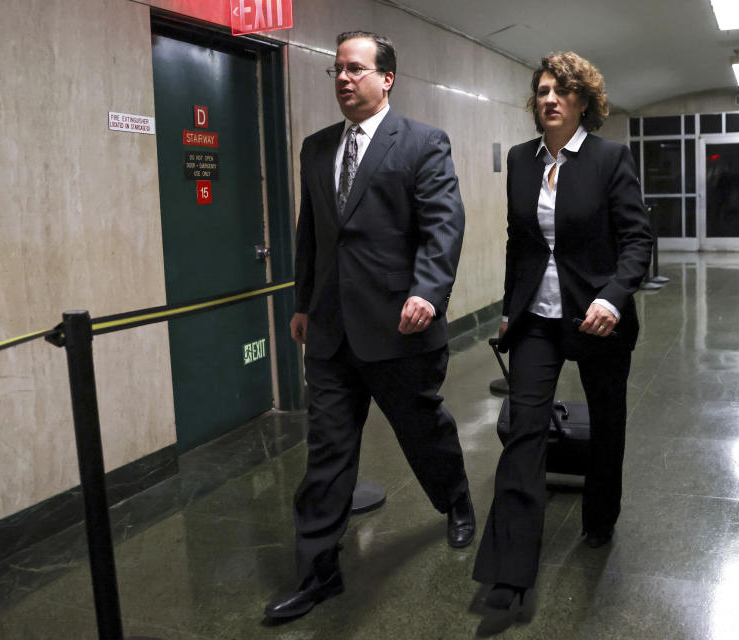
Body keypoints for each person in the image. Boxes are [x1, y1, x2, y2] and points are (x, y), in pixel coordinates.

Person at [264, 31, 474, 620]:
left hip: (400, 328)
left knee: (422, 431)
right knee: (327, 453)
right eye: (335, 70)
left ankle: (456, 500)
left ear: (387, 79)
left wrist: (428, 292)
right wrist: (304, 303)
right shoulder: (315, 148)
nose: (342, 79)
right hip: (331, 333)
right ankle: (317, 573)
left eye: (355, 69)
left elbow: (443, 225)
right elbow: (313, 235)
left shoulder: (423, 144)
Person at [472, 52, 652, 614]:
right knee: (525, 431)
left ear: (584, 103)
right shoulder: (523, 162)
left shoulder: (609, 159)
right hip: (537, 321)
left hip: (597, 318)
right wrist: (509, 308)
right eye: (543, 90)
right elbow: (518, 242)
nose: (549, 99)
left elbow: (637, 242)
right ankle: (508, 571)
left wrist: (613, 298)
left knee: (607, 423)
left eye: (562, 91)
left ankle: (600, 517)